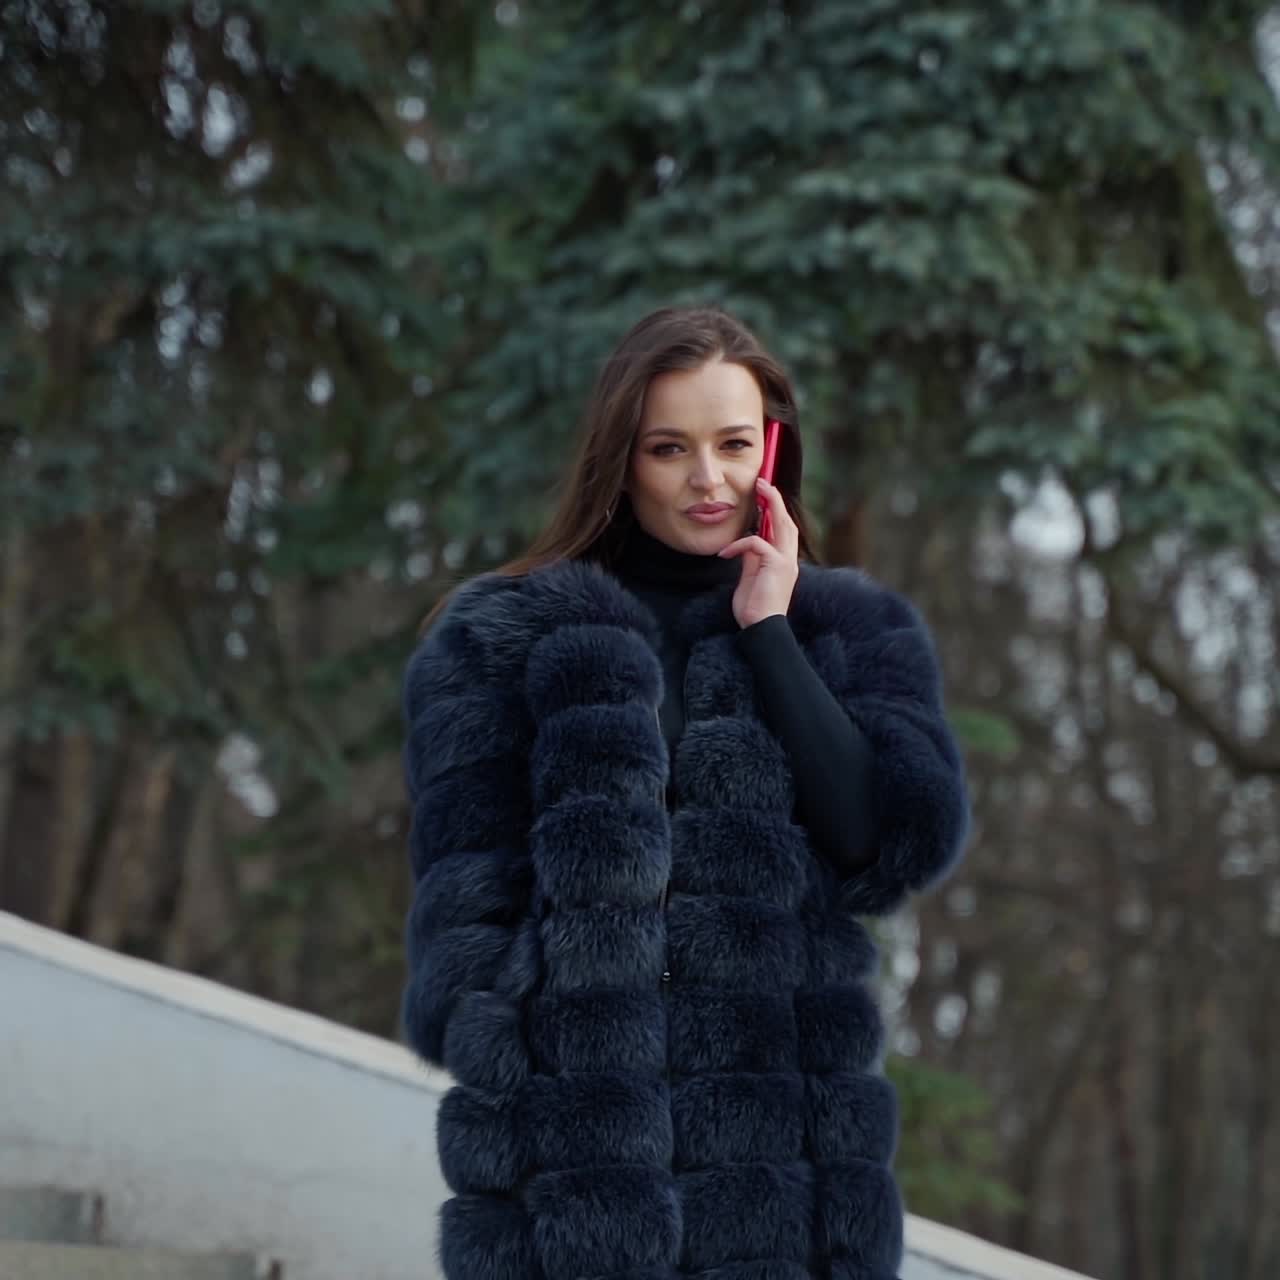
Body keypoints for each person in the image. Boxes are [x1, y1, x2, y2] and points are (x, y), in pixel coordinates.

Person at [401, 306, 970, 1279]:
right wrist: (524, 1074)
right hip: (569, 1175)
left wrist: (769, 633)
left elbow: (885, 843)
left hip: (785, 1178)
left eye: (732, 443)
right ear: (620, 456)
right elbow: (460, 911)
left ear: (772, 447)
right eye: (669, 448)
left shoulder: (850, 629)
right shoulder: (501, 635)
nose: (706, 479)